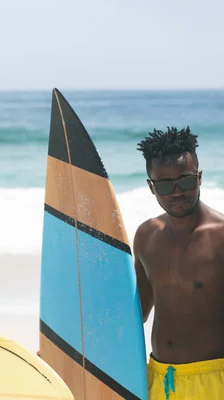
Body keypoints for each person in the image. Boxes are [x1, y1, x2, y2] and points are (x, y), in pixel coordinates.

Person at [134, 126, 224, 399]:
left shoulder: (220, 237)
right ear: (151, 187)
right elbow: (136, 312)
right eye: (164, 185)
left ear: (199, 178)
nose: (176, 193)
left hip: (214, 380)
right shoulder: (146, 236)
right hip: (160, 380)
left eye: (185, 181)